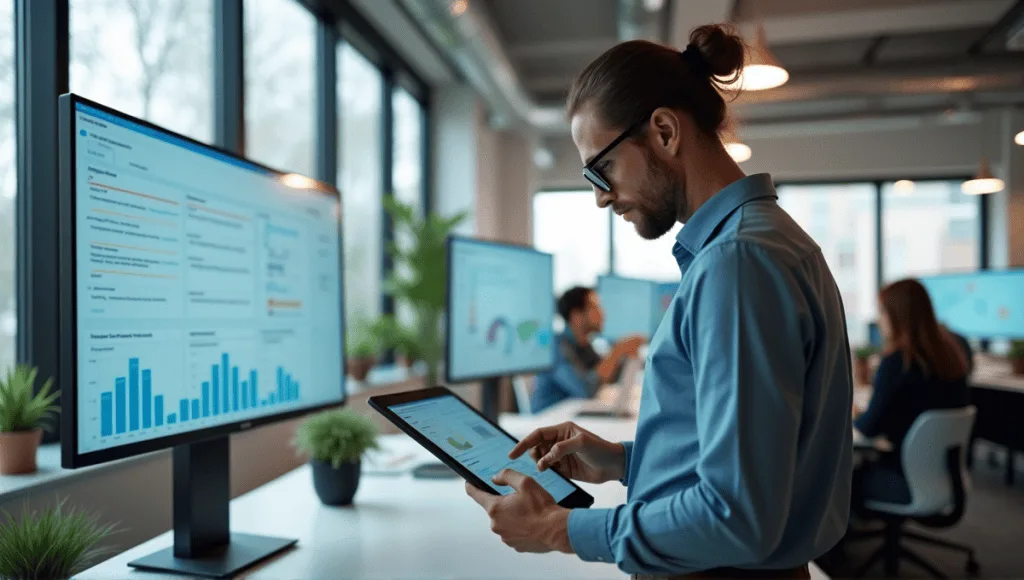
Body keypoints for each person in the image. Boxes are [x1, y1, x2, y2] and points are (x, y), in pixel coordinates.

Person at [464, 23, 853, 579]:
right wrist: (629, 462)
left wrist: (556, 528)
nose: (599, 196)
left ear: (665, 131)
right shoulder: (760, 242)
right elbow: (757, 469)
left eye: (601, 168)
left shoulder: (737, 264)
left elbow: (737, 514)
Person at [853, 279, 970, 508]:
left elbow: (867, 429)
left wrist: (855, 414)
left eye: (882, 312)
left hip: (903, 478)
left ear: (897, 316)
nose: (879, 320)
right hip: (946, 476)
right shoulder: (951, 355)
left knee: (841, 475)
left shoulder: (897, 363)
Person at [530, 286, 645, 413]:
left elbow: (605, 377)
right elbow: (585, 390)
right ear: (576, 316)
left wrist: (625, 355)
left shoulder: (585, 345)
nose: (603, 313)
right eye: (595, 307)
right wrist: (617, 351)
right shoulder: (556, 347)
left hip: (575, 415)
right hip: (548, 420)